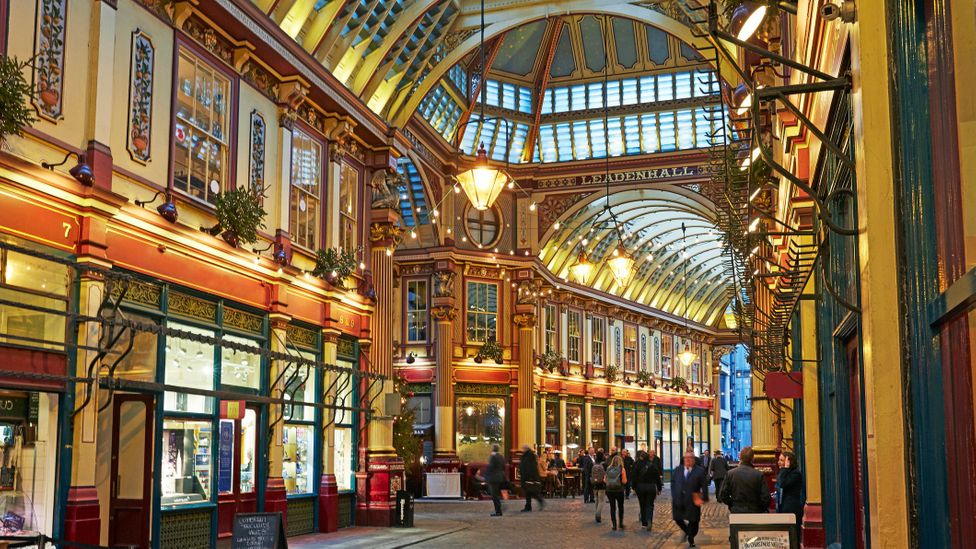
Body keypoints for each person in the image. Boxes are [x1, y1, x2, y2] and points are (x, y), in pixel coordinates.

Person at [671, 451, 708, 547]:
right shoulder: (678, 470)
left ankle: (691, 537)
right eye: (686, 458)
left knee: (694, 521)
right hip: (679, 500)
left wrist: (704, 497)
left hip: (693, 500)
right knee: (677, 518)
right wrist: (674, 496)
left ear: (694, 460)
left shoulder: (699, 471)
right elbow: (673, 483)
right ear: (683, 459)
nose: (688, 459)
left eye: (690, 458)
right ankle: (688, 532)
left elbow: (704, 486)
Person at [720, 446, 771, 513]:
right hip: (754, 510)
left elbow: (723, 495)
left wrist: (732, 504)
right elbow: (766, 497)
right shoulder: (758, 475)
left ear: (740, 457)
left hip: (736, 510)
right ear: (753, 459)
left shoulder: (730, 474)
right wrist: (760, 508)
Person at [633, 450, 663, 531]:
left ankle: (644, 523)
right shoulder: (652, 466)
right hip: (651, 488)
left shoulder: (637, 465)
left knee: (642, 505)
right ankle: (649, 519)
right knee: (650, 504)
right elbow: (657, 478)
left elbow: (634, 477)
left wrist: (634, 487)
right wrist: (659, 488)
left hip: (640, 488)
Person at [776, 451, 803, 528]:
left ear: (789, 461)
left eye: (781, 460)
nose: (779, 462)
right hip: (783, 508)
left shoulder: (795, 474)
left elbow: (782, 484)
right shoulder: (784, 472)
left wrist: (785, 468)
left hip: (791, 509)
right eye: (779, 460)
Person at [519, 444, 545, 512]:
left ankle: (537, 502)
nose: (522, 450)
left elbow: (530, 467)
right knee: (529, 493)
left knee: (530, 492)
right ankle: (529, 506)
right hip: (527, 477)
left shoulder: (529, 455)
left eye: (523, 448)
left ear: (526, 449)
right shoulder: (527, 455)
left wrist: (530, 477)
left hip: (529, 478)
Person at [605, 454, 628, 531]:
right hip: (619, 490)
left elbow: (604, 480)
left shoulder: (608, 468)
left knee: (612, 507)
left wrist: (611, 482)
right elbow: (624, 481)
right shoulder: (622, 469)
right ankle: (620, 524)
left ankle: (614, 525)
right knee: (620, 507)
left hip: (610, 490)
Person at [486, 444, 507, 517]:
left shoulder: (493, 457)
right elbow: (503, 467)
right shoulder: (501, 456)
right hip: (500, 478)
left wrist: (486, 476)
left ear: (493, 449)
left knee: (494, 495)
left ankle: (498, 511)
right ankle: (500, 507)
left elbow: (491, 467)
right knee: (497, 494)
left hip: (493, 478)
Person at [591, 450, 607, 523]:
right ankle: (598, 514)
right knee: (601, 501)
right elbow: (606, 474)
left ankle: (597, 514)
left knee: (596, 499)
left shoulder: (594, 463)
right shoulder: (604, 464)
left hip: (595, 484)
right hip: (602, 484)